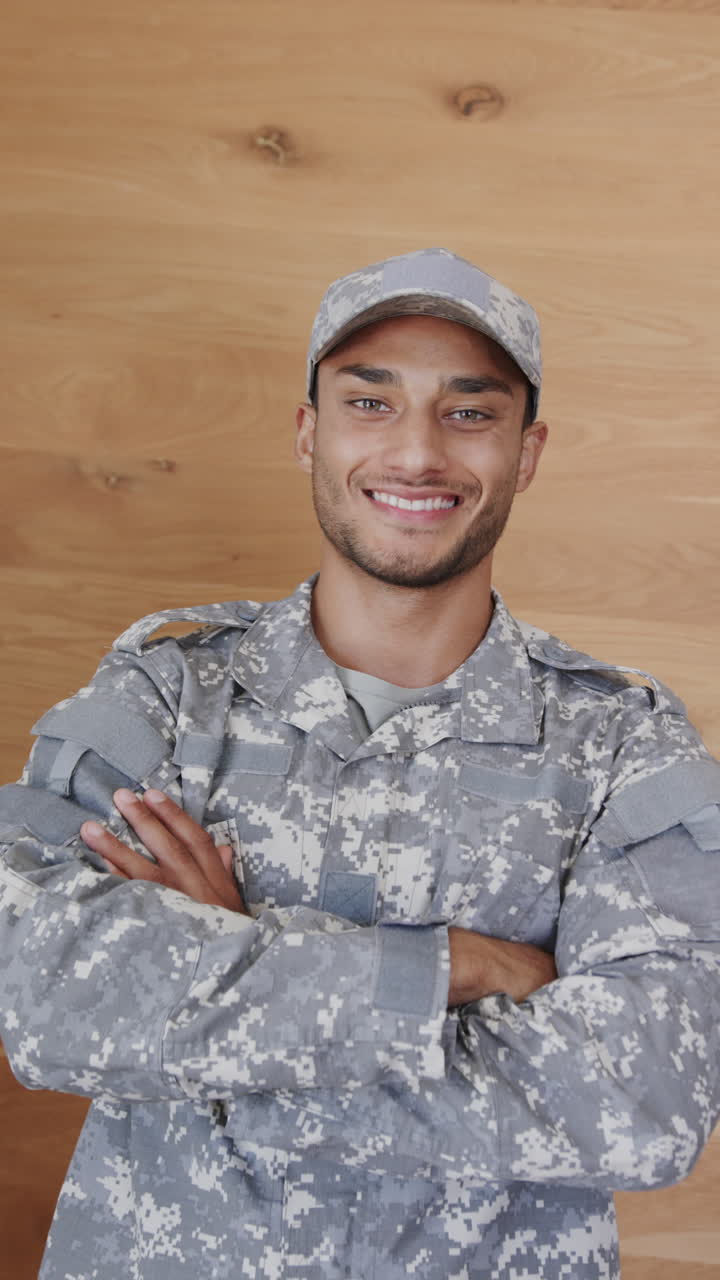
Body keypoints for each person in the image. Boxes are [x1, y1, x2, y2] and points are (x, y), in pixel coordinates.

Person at [1, 247, 719, 1280]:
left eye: (469, 411)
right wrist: (456, 967)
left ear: (528, 451)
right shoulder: (164, 692)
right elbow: (43, 993)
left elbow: (647, 1098)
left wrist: (231, 973)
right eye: (370, 402)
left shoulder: (622, 745)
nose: (418, 451)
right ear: (310, 433)